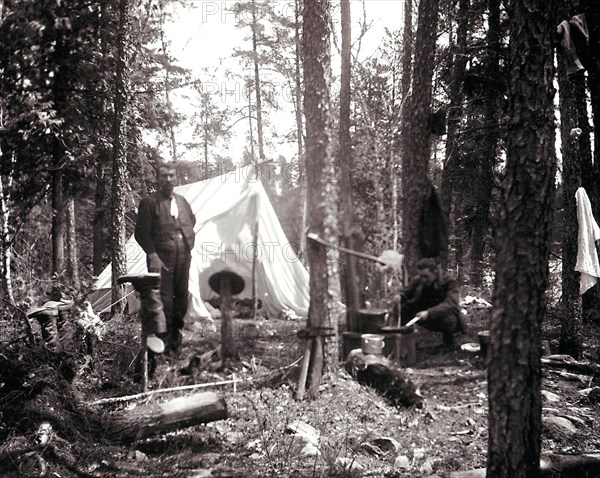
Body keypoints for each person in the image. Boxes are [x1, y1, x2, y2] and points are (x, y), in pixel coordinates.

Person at [134, 162, 196, 354]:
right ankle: (162, 346)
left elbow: (191, 221)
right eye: (164, 176)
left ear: (176, 178)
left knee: (181, 300)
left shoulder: (182, 201)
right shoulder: (150, 202)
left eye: (171, 176)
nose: (168, 180)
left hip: (183, 257)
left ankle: (175, 344)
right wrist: (153, 255)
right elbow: (141, 233)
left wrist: (186, 244)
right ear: (157, 178)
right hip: (161, 259)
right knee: (163, 301)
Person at [399, 258, 467, 348]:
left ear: (435, 272)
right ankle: (409, 342)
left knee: (449, 321)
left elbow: (451, 303)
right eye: (421, 276)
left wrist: (429, 313)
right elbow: (405, 292)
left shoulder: (449, 281)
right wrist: (399, 296)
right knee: (402, 308)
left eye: (426, 276)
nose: (423, 279)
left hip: (439, 315)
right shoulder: (419, 279)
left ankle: (448, 342)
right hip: (421, 313)